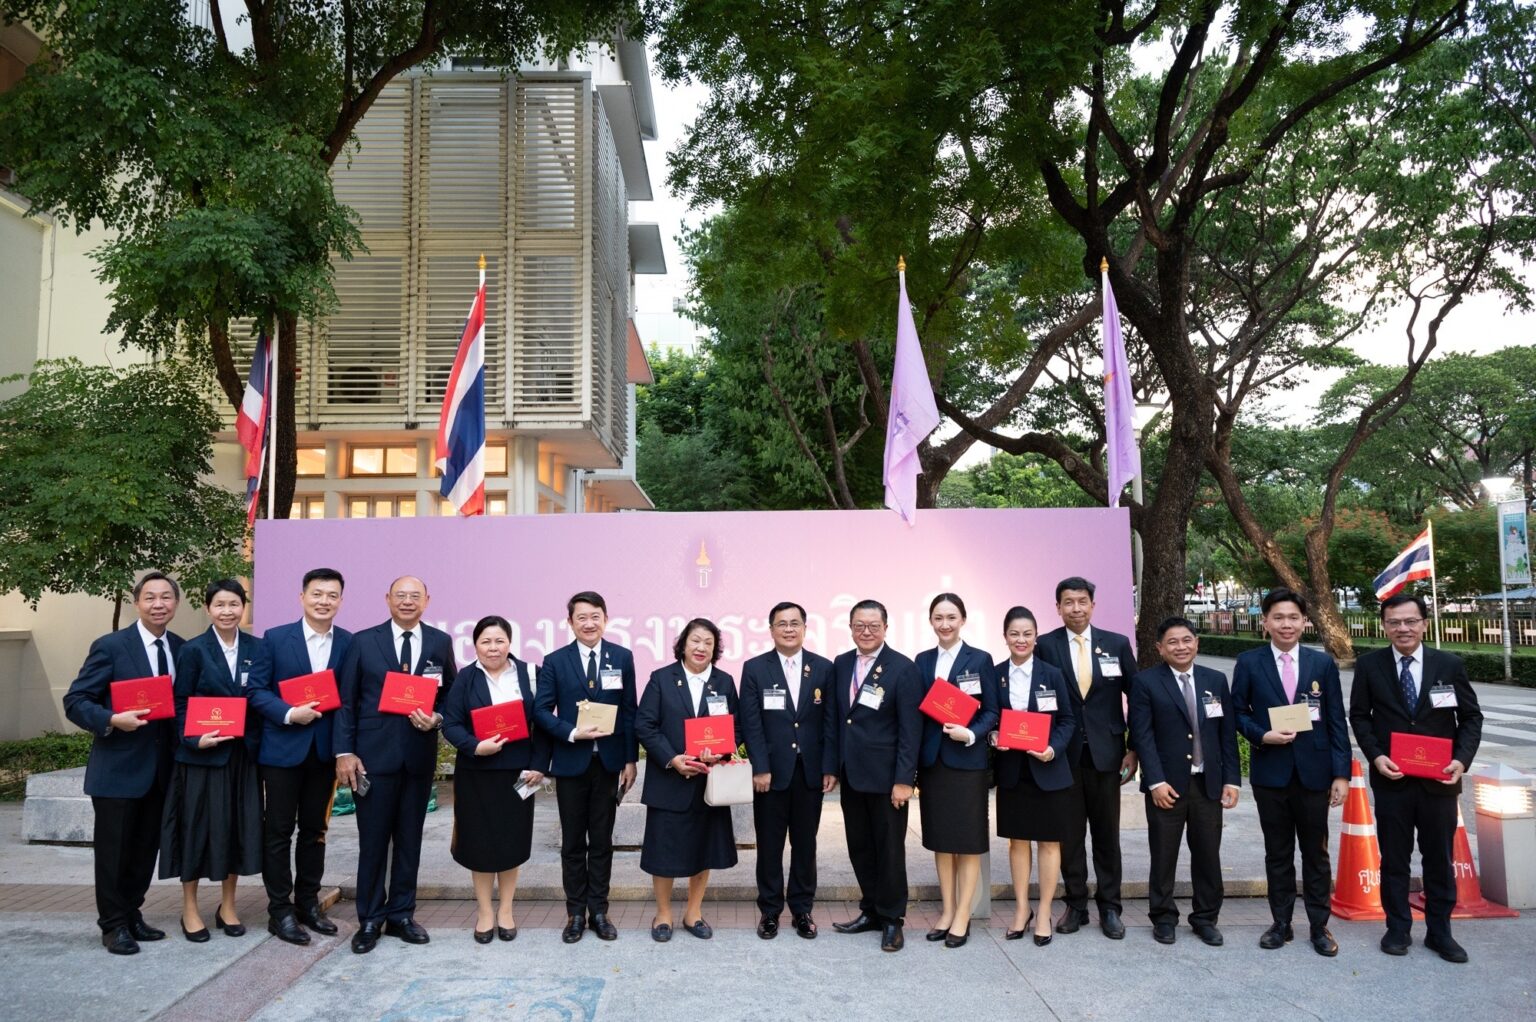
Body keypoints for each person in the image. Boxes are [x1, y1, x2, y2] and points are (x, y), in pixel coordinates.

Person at [1349, 593, 1483, 963]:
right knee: (1394, 858)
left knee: (1438, 858)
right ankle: (1397, 928)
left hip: (1439, 781)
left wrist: (1461, 760)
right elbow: (1359, 716)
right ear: (1385, 626)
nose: (1403, 629)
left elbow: (1471, 718)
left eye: (1410, 621)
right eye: (1394, 622)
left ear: (1424, 623)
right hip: (1392, 780)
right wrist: (1376, 756)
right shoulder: (1370, 665)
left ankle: (1441, 932)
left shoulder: (1449, 664)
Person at [62, 571, 185, 955]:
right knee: (114, 853)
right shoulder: (112, 646)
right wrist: (111, 720)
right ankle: (112, 924)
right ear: (137, 603)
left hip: (161, 773)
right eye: (150, 597)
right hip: (118, 770)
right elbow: (77, 700)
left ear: (176, 604)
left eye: (166, 597)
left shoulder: (181, 648)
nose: (159, 604)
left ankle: (132, 913)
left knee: (145, 850)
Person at [334, 575, 457, 954]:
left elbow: (451, 694)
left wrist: (437, 718)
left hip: (417, 758)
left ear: (427, 600)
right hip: (372, 759)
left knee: (409, 841)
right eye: (400, 595)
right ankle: (370, 918)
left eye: (414, 596)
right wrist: (344, 752)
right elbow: (347, 700)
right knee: (373, 843)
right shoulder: (363, 640)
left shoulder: (439, 642)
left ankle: (402, 914)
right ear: (387, 599)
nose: (407, 601)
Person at [1231, 586, 1349, 957]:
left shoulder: (1321, 664)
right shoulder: (1249, 662)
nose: (1286, 624)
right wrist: (1261, 735)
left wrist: (1341, 774)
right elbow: (1238, 713)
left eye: (1293, 618)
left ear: (1305, 622)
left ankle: (1319, 925)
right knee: (1277, 852)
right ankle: (1281, 923)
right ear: (1264, 622)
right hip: (1272, 773)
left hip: (1314, 773)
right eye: (1278, 617)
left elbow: (1335, 721)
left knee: (1316, 853)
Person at [246, 567, 352, 945]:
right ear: (302, 597)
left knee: (315, 831)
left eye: (332, 595)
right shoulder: (274, 639)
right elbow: (256, 692)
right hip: (281, 752)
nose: (324, 601)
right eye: (317, 594)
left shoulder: (348, 643)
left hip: (323, 755)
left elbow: (349, 703)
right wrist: (290, 714)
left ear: (341, 600)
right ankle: (279, 911)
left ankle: (308, 904)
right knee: (277, 832)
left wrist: (344, 750)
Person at [531, 591, 638, 943]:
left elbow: (629, 711)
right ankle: (575, 913)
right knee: (574, 842)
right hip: (571, 763)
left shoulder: (621, 657)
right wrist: (572, 732)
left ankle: (600, 912)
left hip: (608, 764)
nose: (589, 623)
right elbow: (542, 712)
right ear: (570, 622)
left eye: (595, 616)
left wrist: (629, 759)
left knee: (603, 841)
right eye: (581, 618)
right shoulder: (555, 661)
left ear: (605, 619)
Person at [1034, 576, 1138, 939]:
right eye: (1068, 602)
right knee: (1069, 834)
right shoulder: (1045, 645)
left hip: (1107, 755)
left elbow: (1136, 698)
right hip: (1062, 755)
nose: (1075, 608)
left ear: (1093, 605)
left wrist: (1133, 747)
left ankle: (1110, 907)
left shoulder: (1117, 643)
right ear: (1058, 607)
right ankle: (1075, 904)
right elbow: (1036, 697)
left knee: (1107, 834)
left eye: (1082, 601)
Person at [160, 579, 263, 941]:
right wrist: (193, 739)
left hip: (241, 757)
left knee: (236, 830)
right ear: (207, 609)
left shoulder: (257, 648)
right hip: (201, 758)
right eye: (219, 604)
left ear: (243, 608)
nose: (227, 611)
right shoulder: (193, 650)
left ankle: (228, 905)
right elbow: (180, 702)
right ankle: (190, 907)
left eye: (234, 604)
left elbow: (262, 697)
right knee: (196, 830)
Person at [1128, 617, 1240, 947]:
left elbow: (1226, 735)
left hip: (1208, 784)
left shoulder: (1215, 680)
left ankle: (1205, 918)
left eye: (1187, 640)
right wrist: (1155, 782)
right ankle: (1163, 918)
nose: (1181, 646)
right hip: (1167, 788)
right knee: (1164, 855)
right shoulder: (1146, 683)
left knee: (1208, 854)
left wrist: (1232, 780)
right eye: (1173, 642)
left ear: (1197, 642)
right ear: (1160, 648)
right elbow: (1142, 736)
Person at [440, 615, 550, 943]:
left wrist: (539, 765)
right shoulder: (465, 679)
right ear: (475, 645)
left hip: (520, 775)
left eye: (499, 641)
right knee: (479, 843)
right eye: (486, 641)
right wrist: (476, 746)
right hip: (477, 773)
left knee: (511, 841)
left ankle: (507, 910)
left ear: (510, 643)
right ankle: (485, 911)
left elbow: (543, 723)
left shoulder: (530, 675)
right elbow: (451, 723)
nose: (493, 647)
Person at [636, 618, 740, 942]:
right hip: (670, 780)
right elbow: (645, 725)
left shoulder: (724, 682)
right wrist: (672, 759)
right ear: (683, 644)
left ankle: (693, 912)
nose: (701, 648)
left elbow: (735, 728)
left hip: (708, 783)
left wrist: (721, 752)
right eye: (695, 641)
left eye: (708, 643)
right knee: (663, 852)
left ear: (716, 649)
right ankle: (663, 913)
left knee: (704, 848)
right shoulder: (662, 679)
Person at [738, 600, 837, 940]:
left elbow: (830, 723)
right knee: (769, 844)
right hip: (770, 775)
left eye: (795, 623)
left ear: (805, 629)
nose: (789, 629)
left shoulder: (823, 668)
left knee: (805, 844)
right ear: (771, 630)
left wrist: (829, 767)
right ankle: (769, 911)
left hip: (810, 772)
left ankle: (802, 909)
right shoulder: (755, 668)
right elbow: (750, 723)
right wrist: (760, 767)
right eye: (782, 623)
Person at [828, 599, 922, 952]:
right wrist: (831, 768)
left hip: (887, 781)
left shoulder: (902, 668)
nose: (866, 632)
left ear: (886, 627)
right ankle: (870, 910)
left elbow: (910, 730)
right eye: (859, 625)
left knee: (889, 850)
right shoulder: (841, 665)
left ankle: (892, 919)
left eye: (873, 625)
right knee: (861, 847)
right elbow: (838, 721)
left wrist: (904, 780)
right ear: (850, 627)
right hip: (852, 776)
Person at [913, 593, 998, 949]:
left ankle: (963, 915)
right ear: (930, 621)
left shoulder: (980, 659)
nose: (944, 624)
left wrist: (971, 733)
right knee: (942, 842)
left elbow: (993, 711)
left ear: (963, 619)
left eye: (951, 617)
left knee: (968, 841)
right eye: (938, 617)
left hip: (968, 763)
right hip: (933, 764)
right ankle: (947, 911)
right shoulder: (922, 660)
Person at [989, 606, 1076, 947]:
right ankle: (1022, 909)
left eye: (1027, 634)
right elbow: (992, 717)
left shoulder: (1052, 674)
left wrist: (1053, 748)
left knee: (1050, 842)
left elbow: (1068, 720)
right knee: (1017, 842)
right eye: (1014, 634)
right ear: (1005, 637)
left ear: (1036, 637)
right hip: (1013, 773)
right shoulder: (996, 675)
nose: (1021, 640)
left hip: (1048, 770)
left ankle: (1043, 912)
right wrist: (994, 736)